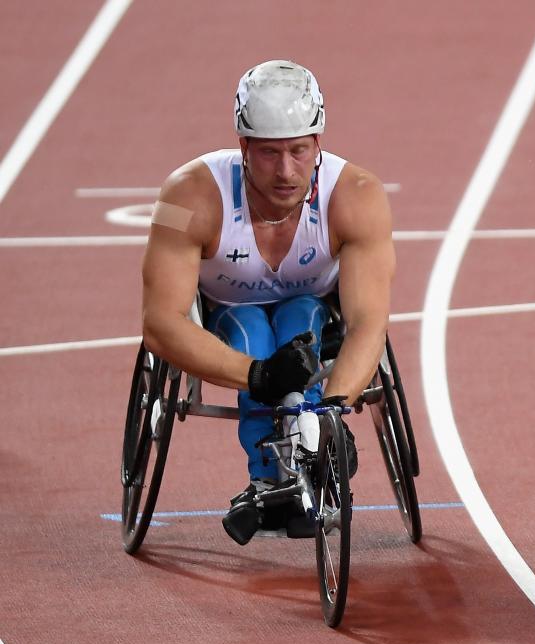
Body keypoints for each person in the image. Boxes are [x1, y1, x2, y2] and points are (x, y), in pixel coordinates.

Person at [140, 60, 396, 545]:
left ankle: (310, 450)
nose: (285, 171)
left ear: (318, 143)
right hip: (226, 314)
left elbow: (368, 323)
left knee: (299, 319)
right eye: (269, 154)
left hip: (315, 309)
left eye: (299, 151)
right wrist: (258, 377)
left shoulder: (358, 195)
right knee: (253, 331)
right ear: (243, 147)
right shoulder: (184, 194)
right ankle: (268, 476)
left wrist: (335, 412)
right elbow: (159, 322)